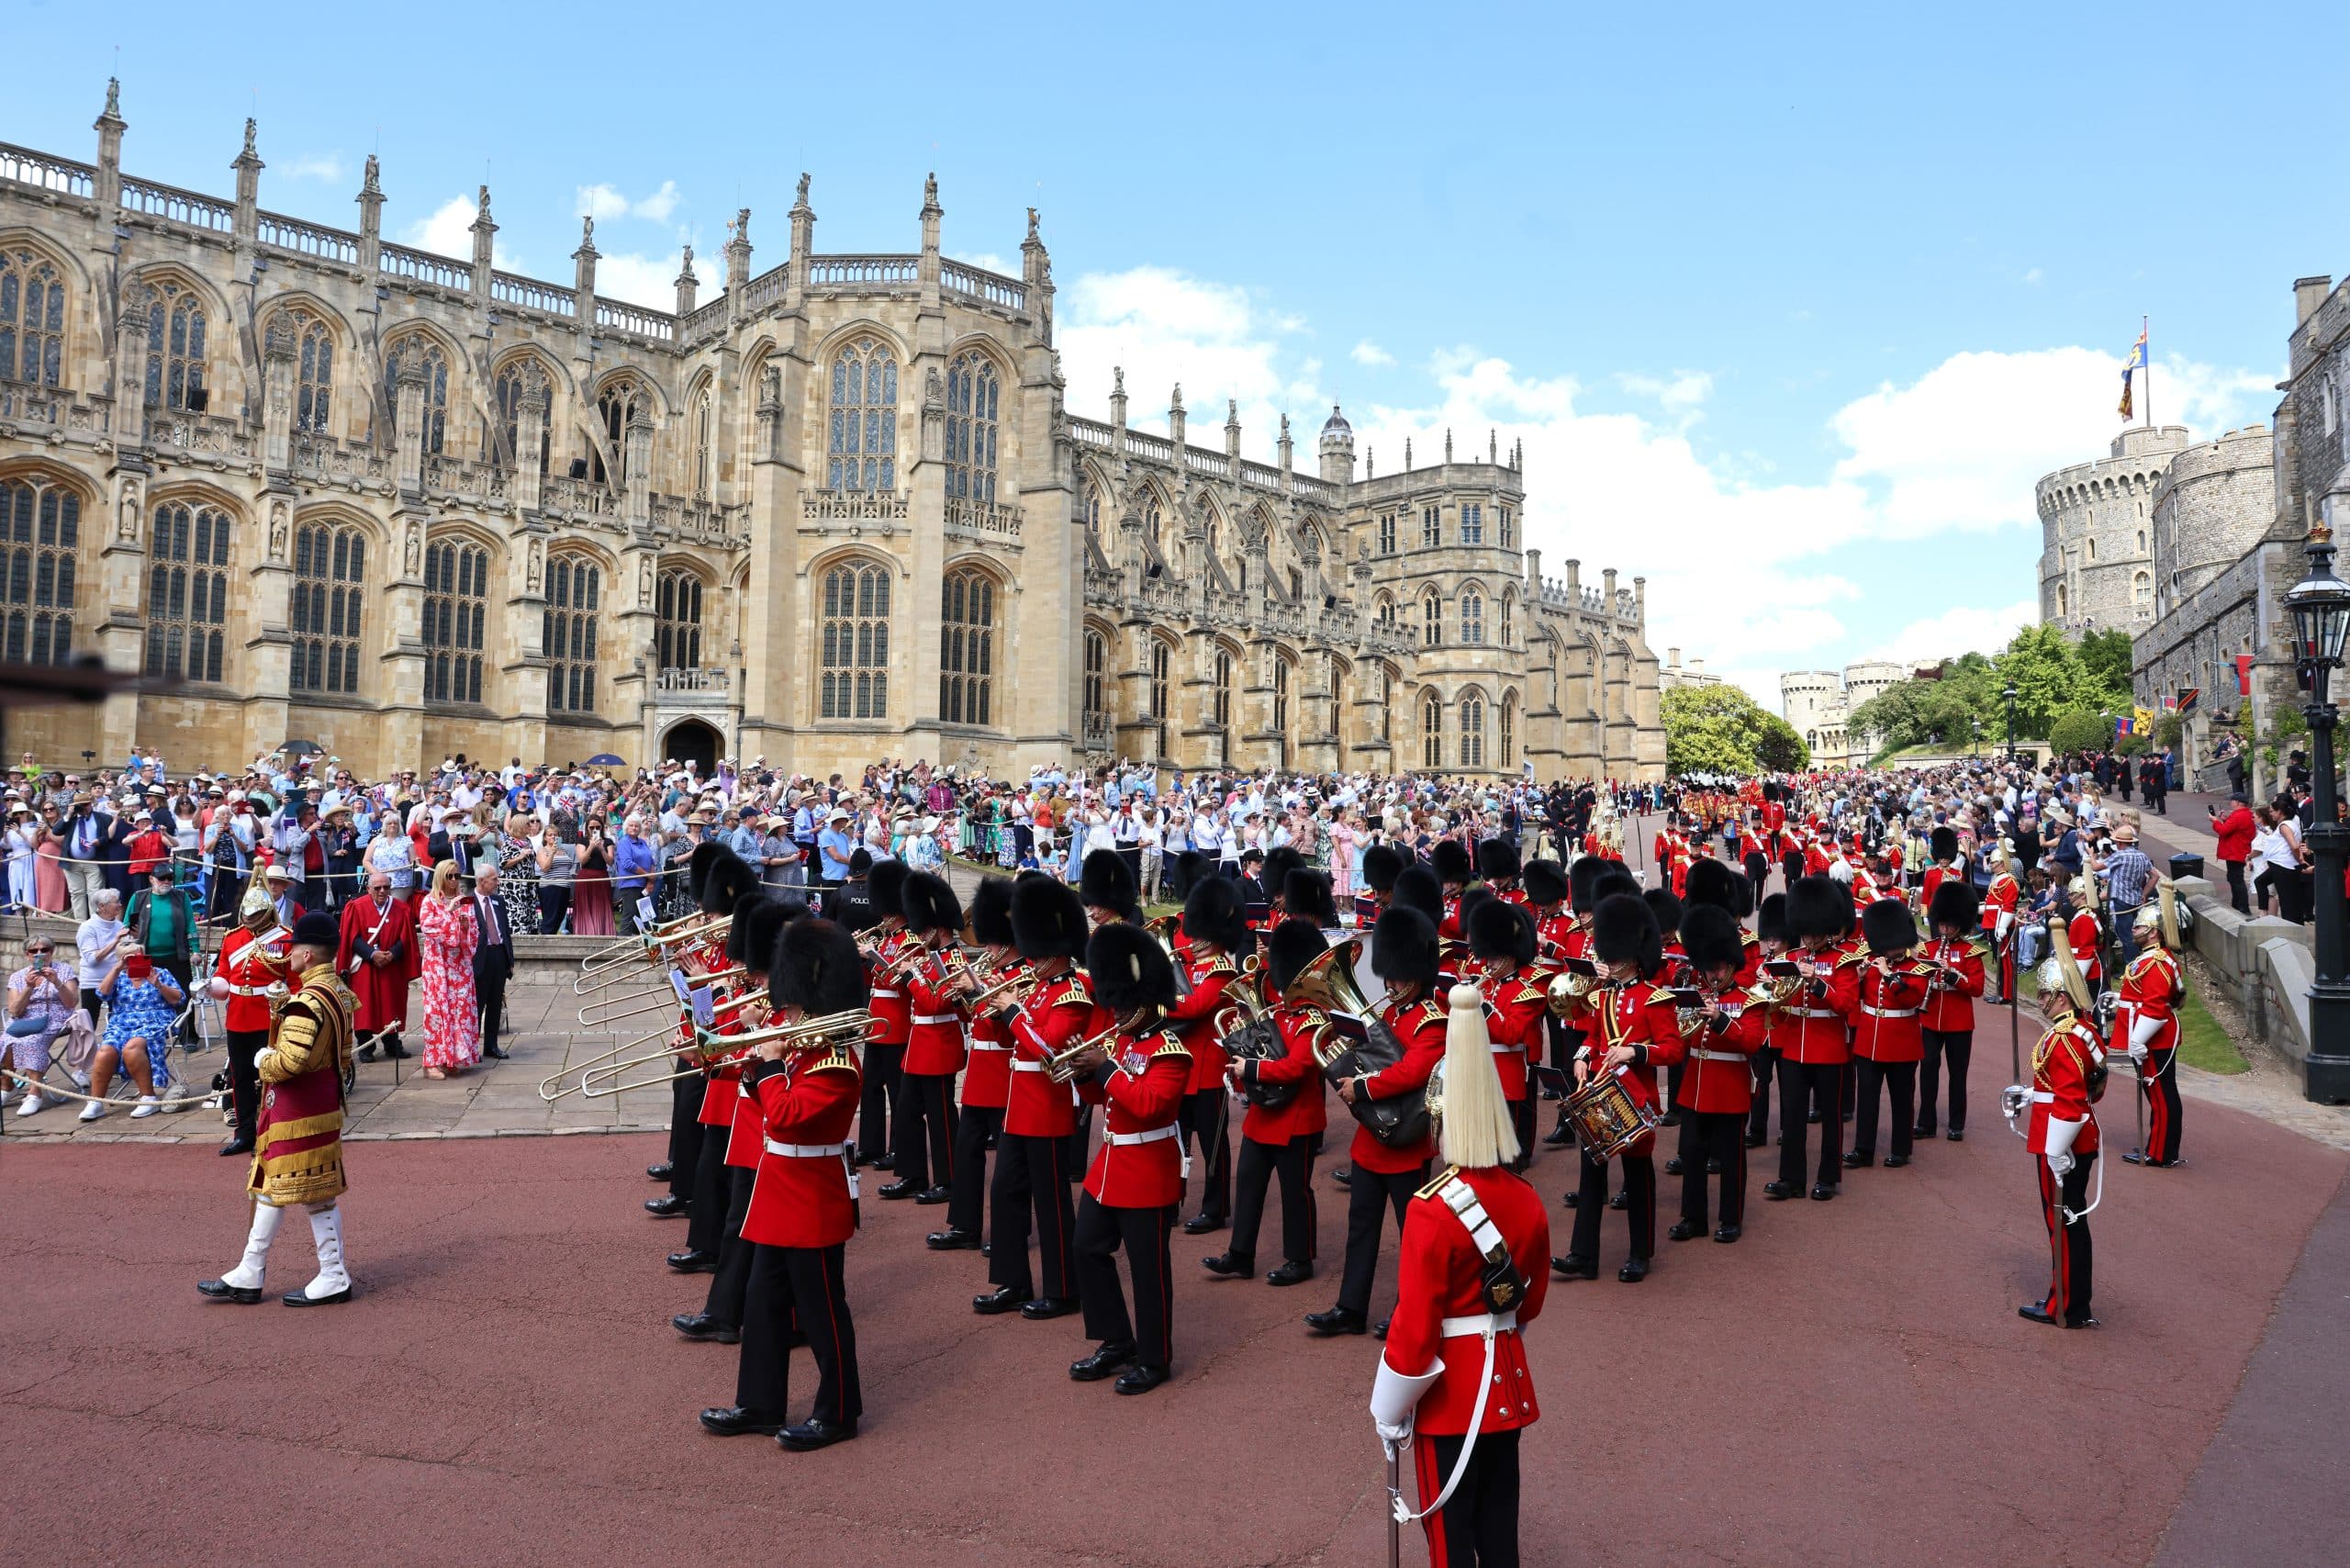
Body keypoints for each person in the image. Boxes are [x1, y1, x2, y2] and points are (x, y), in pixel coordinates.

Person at [1369, 974, 1548, 1568]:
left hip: (1450, 1400)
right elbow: (1530, 1302)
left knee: (1448, 1543)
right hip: (1507, 1386)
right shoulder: (1526, 1198)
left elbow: (1417, 1328)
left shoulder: (1431, 1209)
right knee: (1499, 1530)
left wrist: (1389, 1405)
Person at [699, 916, 867, 1450]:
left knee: (822, 1314)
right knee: (762, 1303)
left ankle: (839, 1411)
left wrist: (768, 1070)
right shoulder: (801, 1050)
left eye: (792, 1004)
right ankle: (760, 1403)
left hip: (812, 1201)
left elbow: (791, 1116)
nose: (786, 1013)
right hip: (778, 1193)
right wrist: (753, 1069)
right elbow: (769, 1111)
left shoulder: (837, 1063)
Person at [197, 911, 357, 1308]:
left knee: (308, 1193)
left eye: (292, 952)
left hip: (297, 1109)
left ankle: (333, 1274)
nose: (286, 958)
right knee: (276, 1186)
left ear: (305, 955)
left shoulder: (308, 1001)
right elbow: (345, 1054)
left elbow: (289, 1063)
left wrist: (261, 1059)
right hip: (317, 1104)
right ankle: (251, 1270)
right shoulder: (337, 992)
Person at [1306, 904, 1449, 1337]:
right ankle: (1351, 1307)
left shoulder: (1431, 1020)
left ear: (1417, 975)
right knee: (1361, 1229)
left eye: (1399, 977)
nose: (1391, 984)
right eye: (1389, 975)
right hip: (1371, 1141)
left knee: (1413, 1238)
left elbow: (1412, 1072)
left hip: (1407, 1137)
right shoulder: (1390, 1014)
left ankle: (1413, 1310)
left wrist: (1361, 1086)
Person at [1065, 921, 1191, 1394]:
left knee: (1147, 1268)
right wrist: (1083, 1073)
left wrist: (1107, 1067)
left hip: (1148, 1171)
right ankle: (1117, 1339)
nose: (1114, 1013)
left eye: (1122, 1004)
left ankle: (1155, 1359)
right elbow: (1107, 1099)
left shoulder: (1170, 1050)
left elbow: (1150, 1104)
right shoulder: (1120, 1040)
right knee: (1087, 1248)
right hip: (1110, 1166)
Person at [1551, 892, 1683, 1283]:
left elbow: (1673, 1049)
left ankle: (1640, 1253)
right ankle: (1583, 1254)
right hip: (1601, 1093)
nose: (1608, 960)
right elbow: (1593, 1036)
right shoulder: (1605, 996)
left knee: (1638, 1176)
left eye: (1614, 954)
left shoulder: (1654, 999)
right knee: (1591, 1172)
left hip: (1635, 1100)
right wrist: (1581, 1056)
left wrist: (1635, 1052)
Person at [974, 876, 1089, 1321]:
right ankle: (1012, 1280)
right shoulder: (1038, 987)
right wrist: (1001, 1010)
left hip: (1047, 1107)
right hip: (1019, 1105)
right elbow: (1017, 1038)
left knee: (1051, 1201)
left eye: (1038, 952)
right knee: (1005, 1193)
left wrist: (1012, 1010)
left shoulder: (1071, 993)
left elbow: (1049, 1048)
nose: (1032, 960)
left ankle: (1063, 1288)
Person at [1205, 918, 1328, 1285]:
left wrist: (1252, 1070)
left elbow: (1297, 1067)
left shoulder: (1311, 1018)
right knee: (1248, 1183)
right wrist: (1240, 1070)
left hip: (1297, 1118)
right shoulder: (1276, 1012)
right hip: (1264, 1117)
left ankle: (1300, 1258)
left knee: (1295, 1192)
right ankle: (1240, 1254)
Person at [2010, 957, 2105, 1329]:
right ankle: (2068, 1297)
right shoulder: (2084, 1030)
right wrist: (2034, 1095)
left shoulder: (2064, 1038)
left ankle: (2064, 1306)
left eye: (2046, 994)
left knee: (2062, 1224)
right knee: (2070, 1223)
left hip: (2063, 1141)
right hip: (2074, 1137)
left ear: (2062, 998)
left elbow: (2071, 1100)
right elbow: (2088, 1088)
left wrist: (2055, 1151)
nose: (2041, 1000)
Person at [928, 876, 1019, 1255]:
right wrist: (967, 994)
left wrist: (980, 990)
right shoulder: (989, 968)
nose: (987, 947)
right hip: (980, 1074)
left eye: (993, 941)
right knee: (966, 1154)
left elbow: (1008, 1033)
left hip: (1006, 1074)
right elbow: (974, 1021)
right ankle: (964, 1225)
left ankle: (1008, 1231)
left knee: (1011, 1170)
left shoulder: (1020, 976)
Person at [1670, 902, 1764, 1243]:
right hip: (1695, 1086)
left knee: (1730, 1158)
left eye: (1717, 968)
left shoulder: (1750, 1001)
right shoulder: (1695, 997)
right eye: (1707, 969)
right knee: (1692, 1154)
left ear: (1731, 966)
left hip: (1729, 1089)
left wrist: (1721, 1019)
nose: (1712, 974)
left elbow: (1752, 1042)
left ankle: (1730, 1218)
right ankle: (1693, 1217)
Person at [1762, 876, 1854, 1204]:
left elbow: (1845, 1005)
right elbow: (1776, 1003)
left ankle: (1827, 1177)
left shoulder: (1843, 961)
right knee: (1793, 1116)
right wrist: (1767, 986)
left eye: (1814, 931)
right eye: (1805, 931)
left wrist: (1817, 984)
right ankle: (1791, 1178)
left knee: (1830, 1118)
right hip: (1793, 1046)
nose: (1809, 937)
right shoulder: (1791, 956)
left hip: (1828, 1048)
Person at [887, 871, 967, 1203]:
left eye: (923, 929)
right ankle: (913, 1173)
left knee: (942, 1118)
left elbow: (935, 1003)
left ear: (939, 928)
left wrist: (911, 975)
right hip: (919, 1045)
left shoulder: (955, 961)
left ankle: (949, 1179)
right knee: (907, 1113)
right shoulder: (927, 957)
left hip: (940, 1045)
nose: (918, 935)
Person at [1836, 899, 1930, 1172]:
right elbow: (1851, 999)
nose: (1892, 948)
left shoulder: (1917, 968)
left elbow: (1911, 998)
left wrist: (1888, 975)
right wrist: (1860, 977)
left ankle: (1901, 1149)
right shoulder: (1869, 964)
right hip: (1868, 1040)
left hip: (1901, 1042)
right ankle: (1863, 1149)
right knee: (1867, 1097)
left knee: (1901, 1099)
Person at [2116, 890, 2187, 1169]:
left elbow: (2155, 1007)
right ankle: (2159, 1146)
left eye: (2140, 926)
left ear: (2154, 933)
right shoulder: (2153, 958)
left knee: (2161, 1096)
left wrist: (2138, 1039)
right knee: (2159, 1094)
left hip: (2152, 1038)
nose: (2134, 930)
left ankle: (2160, 1153)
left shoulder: (2156, 962)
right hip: (2150, 1036)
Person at [1915, 880, 1986, 1141]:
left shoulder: (1971, 952)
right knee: (1928, 1071)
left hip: (1959, 1022)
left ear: (1960, 924)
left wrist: (1953, 976)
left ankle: (1957, 1123)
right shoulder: (1928, 950)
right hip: (1931, 1018)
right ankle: (1926, 1122)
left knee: (1958, 1075)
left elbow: (1976, 988)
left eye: (1949, 925)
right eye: (1942, 924)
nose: (1945, 929)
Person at [81, 946, 182, 1122]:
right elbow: (102, 994)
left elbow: (177, 999)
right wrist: (117, 968)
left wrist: (157, 984)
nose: (136, 959)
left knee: (132, 1048)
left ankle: (148, 1098)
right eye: (130, 958)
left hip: (155, 1021)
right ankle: (96, 1102)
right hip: (121, 1023)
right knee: (105, 1051)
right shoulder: (119, 977)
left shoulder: (160, 973)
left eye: (139, 955)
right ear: (122, 959)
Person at [335, 870, 418, 1060]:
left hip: (391, 963)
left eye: (386, 887)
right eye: (377, 888)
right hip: (365, 963)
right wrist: (372, 954)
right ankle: (365, 1046)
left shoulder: (400, 908)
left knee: (392, 1003)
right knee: (365, 1006)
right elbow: (351, 937)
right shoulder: (356, 907)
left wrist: (392, 954)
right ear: (368, 889)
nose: (382, 891)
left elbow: (406, 937)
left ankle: (392, 1043)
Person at [416, 860, 480, 1079]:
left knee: (460, 1011)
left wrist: (464, 928)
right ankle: (432, 1062)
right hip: (439, 966)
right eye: (449, 876)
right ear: (441, 877)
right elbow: (428, 928)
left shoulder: (466, 901)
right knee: (437, 1012)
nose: (453, 881)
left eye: (456, 876)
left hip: (460, 965)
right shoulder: (430, 901)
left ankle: (451, 1058)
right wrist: (448, 913)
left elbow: (474, 931)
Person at [4, 936, 79, 1116]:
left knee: (34, 1040)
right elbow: (14, 1011)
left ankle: (34, 1093)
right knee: (4, 1041)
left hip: (56, 1017)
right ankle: (7, 1087)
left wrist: (56, 982)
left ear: (52, 952)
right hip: (25, 1019)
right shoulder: (17, 977)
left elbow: (71, 1003)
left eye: (44, 950)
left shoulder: (64, 970)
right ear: (27, 955)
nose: (40, 954)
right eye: (34, 951)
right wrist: (29, 987)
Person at [470, 864, 516, 1060]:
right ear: (482, 881)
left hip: (498, 954)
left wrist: (510, 959)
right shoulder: (467, 902)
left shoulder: (498, 901)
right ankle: (472, 1048)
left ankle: (491, 1046)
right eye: (494, 879)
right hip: (480, 957)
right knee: (477, 1004)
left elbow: (505, 931)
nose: (497, 883)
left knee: (495, 1003)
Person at [2209, 792, 2255, 916]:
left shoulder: (2238, 815)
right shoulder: (2246, 814)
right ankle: (2237, 903)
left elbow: (2223, 831)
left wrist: (2215, 821)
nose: (2231, 803)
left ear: (2238, 802)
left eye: (2233, 801)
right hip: (2239, 850)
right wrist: (2225, 820)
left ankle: (2243, 906)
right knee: (2234, 878)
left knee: (2236, 879)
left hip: (2235, 852)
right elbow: (2234, 829)